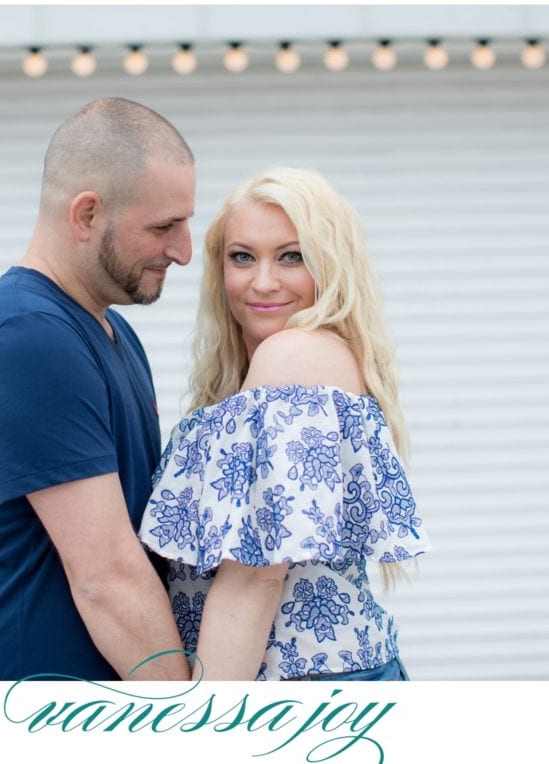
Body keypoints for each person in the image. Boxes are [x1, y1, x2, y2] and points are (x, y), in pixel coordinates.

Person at [0, 98, 195, 681]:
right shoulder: (26, 335)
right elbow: (107, 577)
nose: (183, 251)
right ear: (86, 215)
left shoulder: (111, 331)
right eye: (164, 226)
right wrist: (194, 726)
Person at [138, 167, 430, 681]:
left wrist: (201, 728)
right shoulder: (257, 376)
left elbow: (255, 580)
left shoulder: (295, 357)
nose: (263, 281)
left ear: (330, 266)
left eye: (291, 256)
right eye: (242, 257)